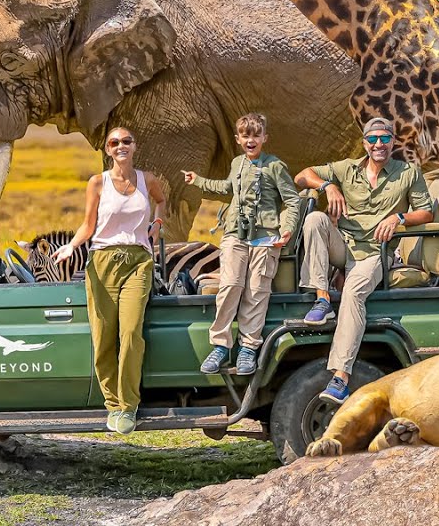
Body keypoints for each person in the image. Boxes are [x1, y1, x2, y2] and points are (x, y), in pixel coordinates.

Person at [293, 117, 435, 404]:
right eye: (373, 139)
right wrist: (327, 187)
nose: (379, 144)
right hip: (344, 245)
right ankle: (321, 299)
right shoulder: (346, 168)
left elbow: (427, 213)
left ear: (394, 141)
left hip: (376, 252)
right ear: (365, 143)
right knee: (316, 219)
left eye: (385, 139)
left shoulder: (408, 173)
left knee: (353, 293)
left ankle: (340, 378)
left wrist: (399, 217)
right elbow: (301, 176)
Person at [53, 127, 167, 435]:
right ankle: (112, 404)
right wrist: (71, 246)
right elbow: (88, 225)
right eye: (114, 142)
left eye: (126, 141)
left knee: (131, 333)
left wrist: (156, 222)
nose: (121, 146)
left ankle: (128, 406)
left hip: (138, 263)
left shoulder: (147, 179)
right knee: (104, 337)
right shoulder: (97, 183)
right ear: (107, 149)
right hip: (102, 262)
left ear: (134, 145)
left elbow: (161, 201)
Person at [182, 113, 301, 376]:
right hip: (235, 233)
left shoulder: (275, 166)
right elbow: (226, 187)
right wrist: (198, 180)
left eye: (256, 136)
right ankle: (221, 345)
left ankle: (249, 347)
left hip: (266, 235)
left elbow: (292, 200)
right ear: (238, 139)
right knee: (231, 285)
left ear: (264, 138)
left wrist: (287, 228)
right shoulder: (237, 163)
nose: (251, 140)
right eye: (246, 136)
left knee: (257, 291)